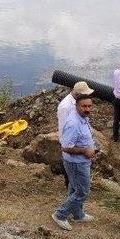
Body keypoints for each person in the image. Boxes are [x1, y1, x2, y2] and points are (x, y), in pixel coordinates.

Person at [51, 94, 98, 230]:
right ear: (77, 106)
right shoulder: (73, 123)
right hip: (76, 162)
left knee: (74, 188)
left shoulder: (83, 117)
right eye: (84, 106)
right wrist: (85, 151)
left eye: (89, 106)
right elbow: (66, 147)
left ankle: (78, 214)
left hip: (81, 161)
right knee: (82, 192)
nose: (87, 109)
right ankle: (60, 215)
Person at [57, 81, 94, 188]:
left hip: (77, 140)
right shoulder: (66, 106)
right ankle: (70, 185)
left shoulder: (77, 103)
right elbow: (66, 127)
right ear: (78, 94)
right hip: (71, 140)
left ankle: (73, 187)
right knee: (71, 167)